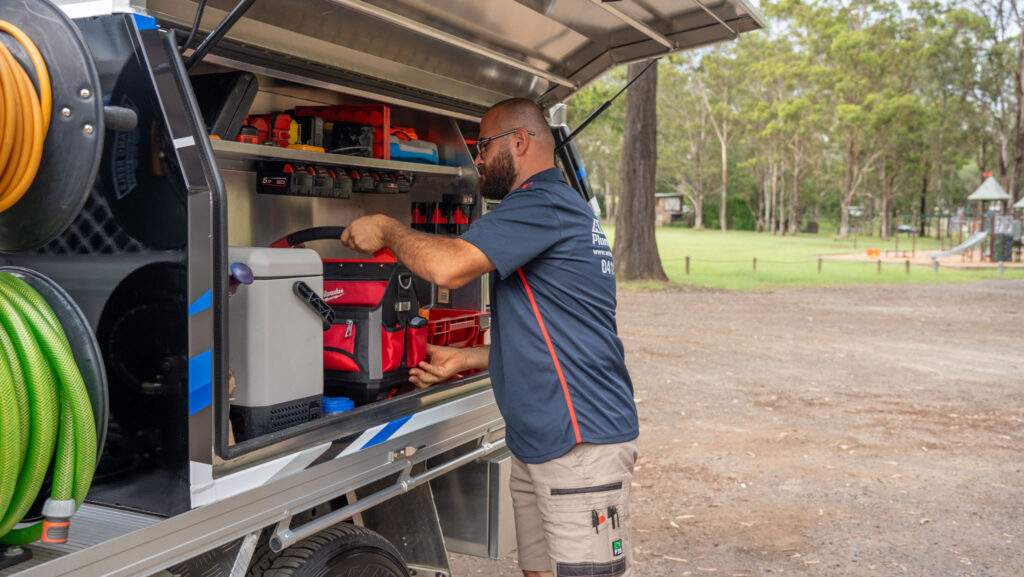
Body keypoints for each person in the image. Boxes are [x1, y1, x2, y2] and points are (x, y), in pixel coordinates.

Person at [341, 98, 639, 577]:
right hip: (544, 439)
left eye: (482, 145)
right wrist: (467, 358)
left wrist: (387, 227)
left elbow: (448, 267)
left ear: (520, 142)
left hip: (578, 442)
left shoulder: (540, 204)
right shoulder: (558, 207)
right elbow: (554, 335)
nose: (476, 158)